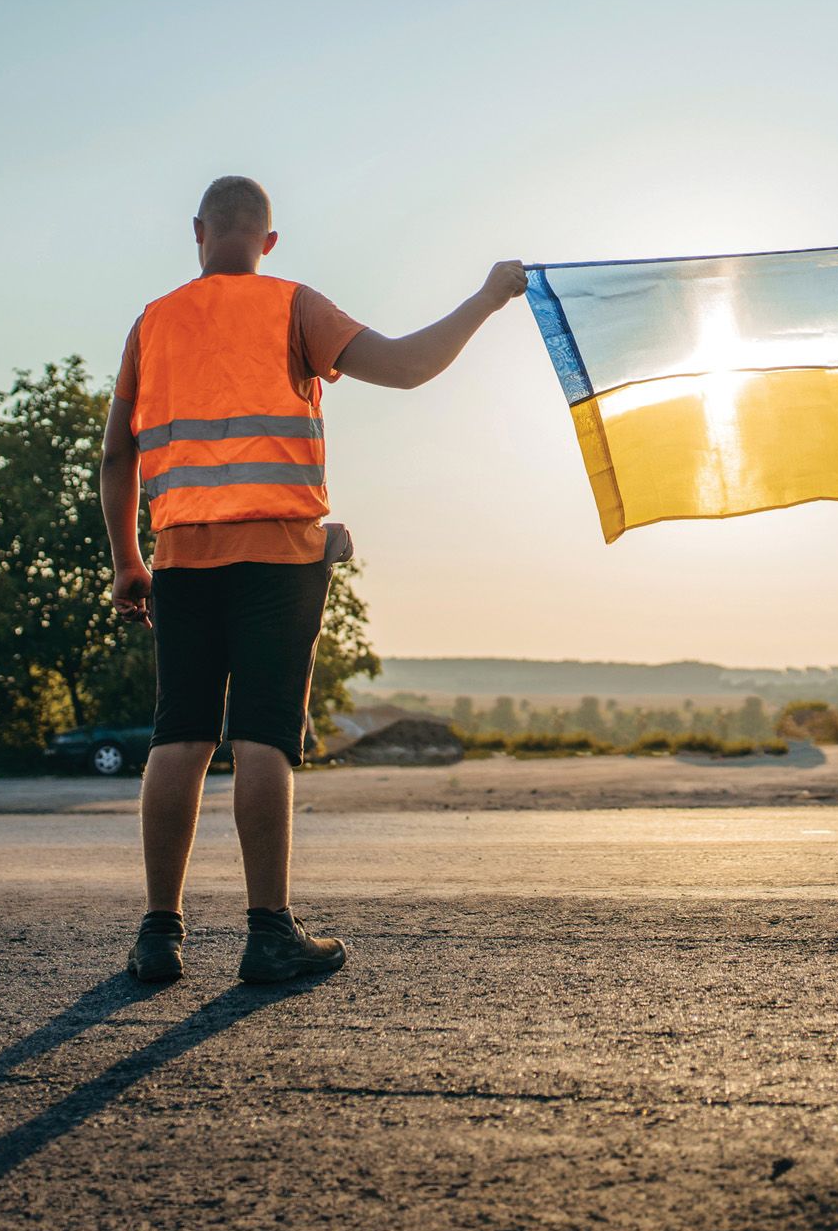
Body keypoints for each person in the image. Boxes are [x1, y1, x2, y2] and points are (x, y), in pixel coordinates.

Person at [98, 175, 526, 984]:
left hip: (181, 554)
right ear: (269, 242)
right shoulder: (293, 304)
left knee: (179, 736)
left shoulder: (151, 323)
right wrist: (486, 299)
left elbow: (117, 455)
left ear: (197, 231)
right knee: (263, 735)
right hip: (280, 557)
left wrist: (129, 560)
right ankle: (268, 934)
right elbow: (405, 366)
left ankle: (158, 936)